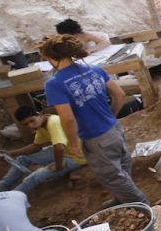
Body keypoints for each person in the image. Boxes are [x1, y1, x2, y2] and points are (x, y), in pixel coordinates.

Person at [39, 34, 148, 206]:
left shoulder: (54, 84)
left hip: (95, 138)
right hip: (114, 128)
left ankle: (141, 204)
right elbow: (119, 94)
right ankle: (121, 199)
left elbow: (67, 120)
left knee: (113, 177)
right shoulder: (93, 69)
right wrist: (111, 115)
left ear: (51, 58)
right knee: (121, 165)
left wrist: (73, 143)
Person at [0, 105, 86, 195]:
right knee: (23, 158)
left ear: (39, 114)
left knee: (36, 176)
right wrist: (11, 153)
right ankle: (2, 186)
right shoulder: (41, 125)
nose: (30, 126)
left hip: (76, 157)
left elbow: (59, 148)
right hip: (66, 151)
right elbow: (36, 146)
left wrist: (58, 166)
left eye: (32, 121)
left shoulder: (53, 122)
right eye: (26, 124)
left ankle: (9, 196)